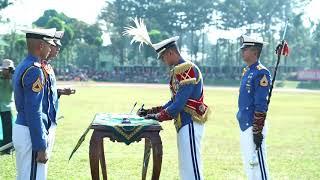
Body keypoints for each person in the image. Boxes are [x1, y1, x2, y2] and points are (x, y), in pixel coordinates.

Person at [124, 18, 209, 180]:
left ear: (171, 53)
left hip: (190, 122)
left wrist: (157, 117)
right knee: (186, 167)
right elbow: (174, 101)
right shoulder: (180, 70)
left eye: (163, 57)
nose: (163, 61)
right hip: (184, 123)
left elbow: (178, 104)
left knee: (193, 167)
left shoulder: (187, 69)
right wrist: (151, 111)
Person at [12, 28, 56, 180]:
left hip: (24, 128)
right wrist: (40, 145)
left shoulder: (24, 65)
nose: (51, 48)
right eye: (49, 44)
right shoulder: (34, 70)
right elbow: (34, 111)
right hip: (30, 132)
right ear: (41, 45)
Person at [236, 35, 270, 180]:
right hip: (244, 123)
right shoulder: (248, 71)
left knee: (259, 165)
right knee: (249, 164)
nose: (242, 51)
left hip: (254, 124)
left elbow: (261, 104)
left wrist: (257, 129)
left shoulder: (261, 72)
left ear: (254, 52)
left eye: (245, 49)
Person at [40, 30, 76, 162]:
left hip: (50, 119)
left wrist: (59, 91)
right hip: (42, 121)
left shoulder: (47, 66)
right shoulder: (38, 67)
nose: (58, 48)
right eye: (56, 44)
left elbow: (47, 91)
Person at [0, 59, 15, 154]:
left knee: (8, 130)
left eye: (9, 69)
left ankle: (8, 148)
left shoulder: (13, 78)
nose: (7, 71)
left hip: (7, 107)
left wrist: (11, 77)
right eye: (5, 69)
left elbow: (15, 88)